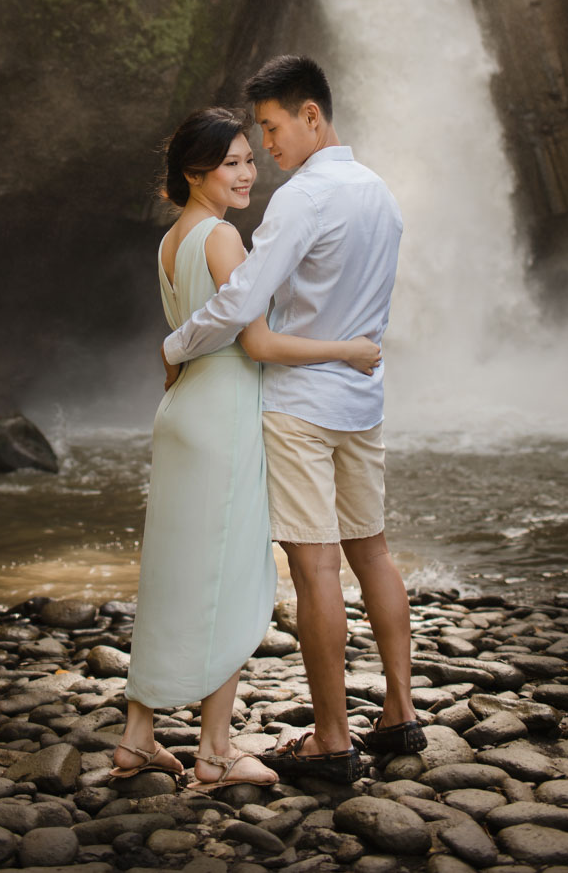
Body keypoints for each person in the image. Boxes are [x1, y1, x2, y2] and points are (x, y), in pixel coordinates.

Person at [162, 56, 425, 785]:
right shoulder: (381, 194)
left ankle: (331, 738)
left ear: (313, 115)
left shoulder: (302, 200)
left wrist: (177, 343)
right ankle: (400, 714)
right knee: (373, 552)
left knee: (316, 570)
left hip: (301, 407)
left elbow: (242, 300)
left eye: (273, 129)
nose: (268, 148)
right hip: (361, 400)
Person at [112, 106, 383, 790]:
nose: (247, 172)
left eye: (248, 159)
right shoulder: (224, 240)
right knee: (231, 578)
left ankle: (138, 736)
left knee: (173, 570)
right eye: (230, 162)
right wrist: (344, 349)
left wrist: (172, 350)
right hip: (226, 414)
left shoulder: (171, 240)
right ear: (194, 173)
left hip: (181, 413)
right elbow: (256, 344)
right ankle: (213, 751)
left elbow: (193, 334)